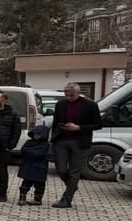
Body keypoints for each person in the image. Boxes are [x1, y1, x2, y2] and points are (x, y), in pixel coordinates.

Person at [49, 81, 102, 209]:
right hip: (61, 140)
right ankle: (72, 186)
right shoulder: (60, 104)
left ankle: (66, 199)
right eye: (66, 95)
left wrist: (79, 127)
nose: (68, 98)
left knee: (74, 171)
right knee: (61, 170)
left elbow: (98, 124)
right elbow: (56, 121)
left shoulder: (90, 105)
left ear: (79, 92)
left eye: (71, 95)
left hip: (80, 141)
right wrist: (58, 130)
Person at [17, 125, 51, 206]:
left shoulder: (46, 145)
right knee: (25, 184)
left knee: (39, 185)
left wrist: (29, 152)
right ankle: (22, 198)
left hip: (40, 169)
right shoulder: (29, 142)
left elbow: (39, 154)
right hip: (28, 167)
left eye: (38, 134)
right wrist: (32, 152)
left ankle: (37, 199)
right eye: (35, 134)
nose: (36, 136)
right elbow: (23, 151)